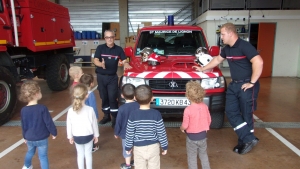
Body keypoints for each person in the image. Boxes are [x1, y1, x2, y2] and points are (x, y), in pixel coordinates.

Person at [192, 22, 263, 155]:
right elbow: (217, 60)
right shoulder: (227, 49)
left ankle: (245, 141)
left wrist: (252, 83)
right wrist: (203, 68)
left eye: (223, 34)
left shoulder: (244, 46)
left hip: (247, 85)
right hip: (235, 84)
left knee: (246, 114)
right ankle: (249, 139)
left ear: (231, 33)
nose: (222, 37)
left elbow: (258, 62)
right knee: (230, 111)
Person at [93, 30, 132, 128]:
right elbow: (95, 60)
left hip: (112, 78)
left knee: (112, 97)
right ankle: (106, 116)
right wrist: (100, 64)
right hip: (101, 77)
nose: (109, 39)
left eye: (111, 37)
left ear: (114, 38)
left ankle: (114, 117)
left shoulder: (118, 49)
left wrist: (126, 64)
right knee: (104, 97)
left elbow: (124, 60)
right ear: (105, 38)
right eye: (107, 37)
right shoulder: (100, 48)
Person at [125, 85, 168, 169]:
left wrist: (128, 146)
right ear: (152, 98)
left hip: (138, 148)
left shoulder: (133, 115)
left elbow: (129, 133)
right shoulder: (156, 114)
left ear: (135, 98)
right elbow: (161, 132)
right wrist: (164, 146)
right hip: (153, 147)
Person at [19, 80, 57, 169]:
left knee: (30, 152)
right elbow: (48, 122)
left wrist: (24, 136)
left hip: (30, 137)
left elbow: (24, 125)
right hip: (42, 137)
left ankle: (27, 166)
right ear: (36, 94)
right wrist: (54, 132)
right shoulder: (42, 108)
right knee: (43, 156)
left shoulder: (23, 110)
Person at [67, 84, 100, 169]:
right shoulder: (90, 109)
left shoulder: (70, 111)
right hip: (88, 135)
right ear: (86, 95)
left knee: (80, 154)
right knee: (88, 154)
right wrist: (96, 135)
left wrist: (70, 136)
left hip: (77, 136)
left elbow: (69, 125)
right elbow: (94, 124)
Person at [180, 80, 211, 169]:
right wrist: (205, 128)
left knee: (192, 157)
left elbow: (185, 125)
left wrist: (181, 128)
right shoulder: (205, 106)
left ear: (188, 96)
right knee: (203, 154)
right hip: (203, 136)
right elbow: (209, 120)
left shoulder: (188, 110)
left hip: (191, 138)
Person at [114, 84, 140, 169]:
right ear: (135, 95)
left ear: (122, 95)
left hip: (125, 134)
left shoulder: (122, 108)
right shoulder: (138, 105)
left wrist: (116, 132)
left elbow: (118, 122)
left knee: (127, 149)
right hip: (137, 132)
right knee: (136, 148)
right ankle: (136, 162)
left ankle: (128, 165)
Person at [79, 73, 99, 153]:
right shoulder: (91, 94)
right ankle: (92, 147)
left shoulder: (80, 93)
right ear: (91, 83)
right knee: (91, 131)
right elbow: (93, 107)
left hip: (81, 116)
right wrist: (96, 117)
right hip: (89, 117)